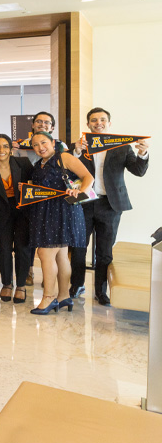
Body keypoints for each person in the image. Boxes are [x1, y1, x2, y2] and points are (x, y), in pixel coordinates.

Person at [69, 107, 149, 305]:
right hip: (83, 203)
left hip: (110, 205)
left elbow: (138, 171)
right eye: (94, 120)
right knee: (78, 247)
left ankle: (101, 291)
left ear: (109, 124)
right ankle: (77, 285)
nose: (98, 123)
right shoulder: (79, 146)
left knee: (104, 251)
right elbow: (67, 171)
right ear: (88, 124)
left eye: (102, 120)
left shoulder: (121, 147)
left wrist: (144, 153)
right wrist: (76, 152)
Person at [28, 132, 94, 314]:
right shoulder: (39, 163)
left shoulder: (64, 157)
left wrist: (79, 191)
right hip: (46, 212)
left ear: (52, 142)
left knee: (44, 253)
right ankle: (64, 296)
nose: (40, 147)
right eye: (35, 145)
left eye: (44, 143)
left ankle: (49, 298)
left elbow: (88, 177)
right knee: (61, 255)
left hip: (64, 210)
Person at [0, 134, 33, 303]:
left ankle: (21, 286)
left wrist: (29, 187)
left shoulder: (23, 164)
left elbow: (35, 185)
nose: (1, 150)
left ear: (11, 150)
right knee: (3, 250)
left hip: (23, 212)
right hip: (1, 213)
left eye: (5, 146)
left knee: (22, 249)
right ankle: (7, 284)